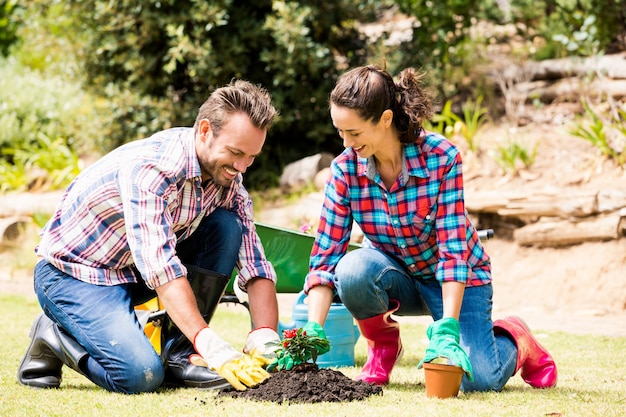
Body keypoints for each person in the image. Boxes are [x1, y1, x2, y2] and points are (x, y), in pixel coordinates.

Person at [298, 65, 558, 392]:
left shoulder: (440, 158)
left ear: (385, 120)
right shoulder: (345, 170)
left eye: (355, 133)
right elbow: (327, 255)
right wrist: (311, 330)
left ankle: (517, 339)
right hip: (396, 277)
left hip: (454, 279)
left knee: (478, 379)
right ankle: (382, 346)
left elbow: (453, 249)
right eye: (341, 132)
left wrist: (448, 328)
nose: (347, 143)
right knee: (351, 270)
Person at [17, 79, 282, 394]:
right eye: (236, 152)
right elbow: (162, 268)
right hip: (74, 276)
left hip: (131, 272)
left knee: (226, 226)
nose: (242, 167)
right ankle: (52, 334)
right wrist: (211, 344)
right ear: (205, 131)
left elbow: (255, 264)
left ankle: (180, 354)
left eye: (251, 157)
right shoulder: (152, 170)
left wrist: (266, 337)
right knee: (140, 375)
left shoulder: (228, 180)